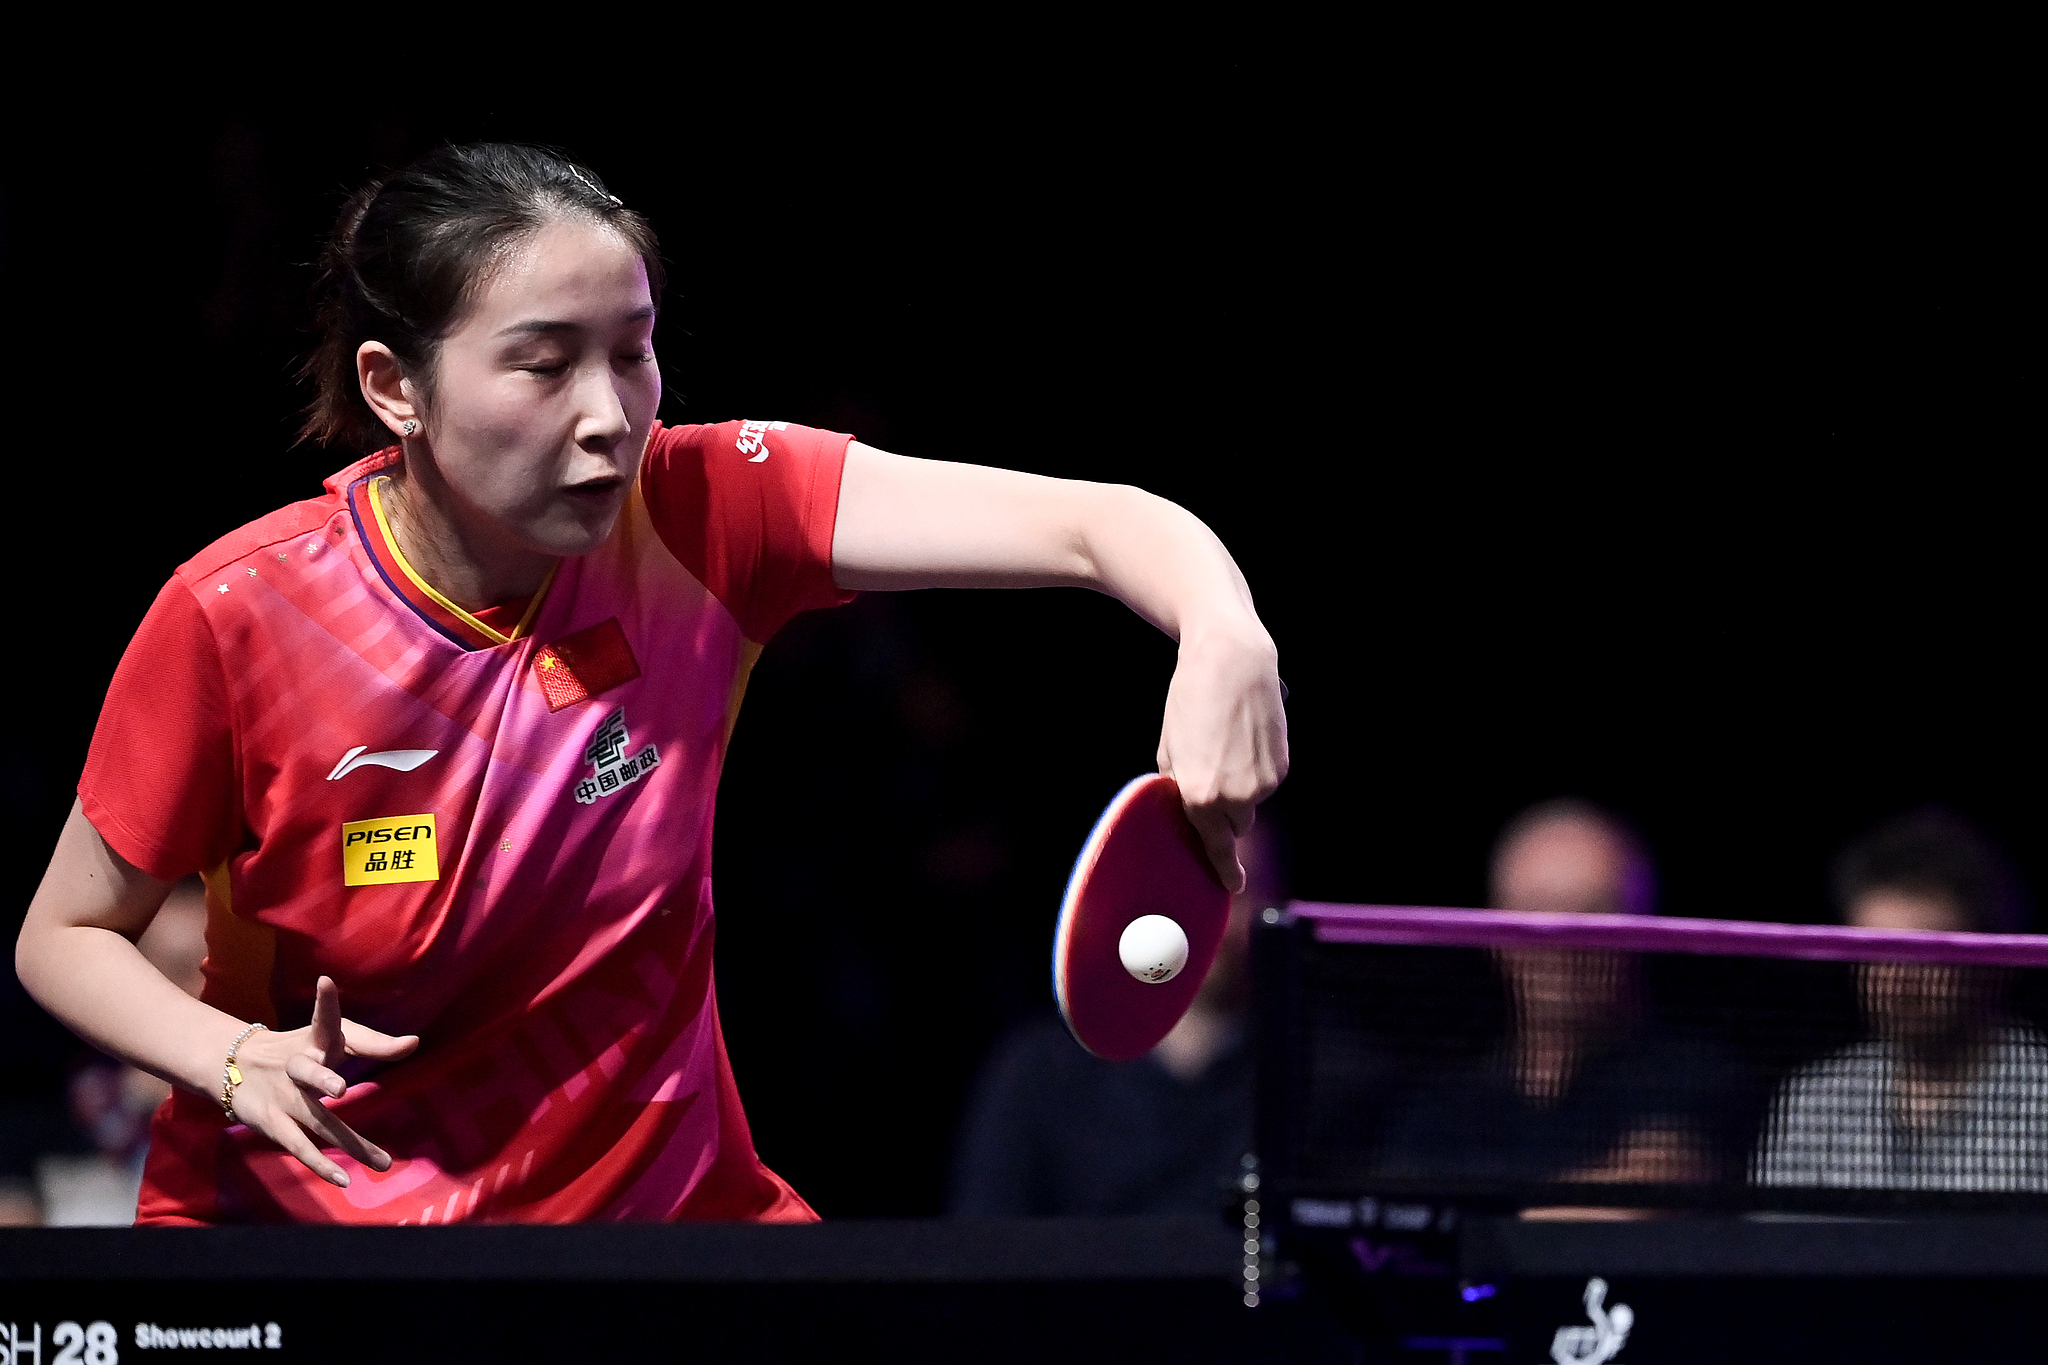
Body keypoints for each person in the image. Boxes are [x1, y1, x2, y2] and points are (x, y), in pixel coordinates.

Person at [12, 144, 1287, 1226]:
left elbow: (1097, 527)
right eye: (543, 362)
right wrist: (230, 1057)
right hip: (306, 1232)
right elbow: (65, 934)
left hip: (657, 1231)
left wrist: (1221, 626)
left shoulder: (699, 515)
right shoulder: (243, 613)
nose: (607, 414)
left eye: (631, 352)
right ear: (394, 388)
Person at [1375, 799, 1754, 1189]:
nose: (1560, 942)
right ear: (1492, 935)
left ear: (1643, 928)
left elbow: (1657, 1186)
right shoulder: (1444, 1110)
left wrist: (1484, 1229)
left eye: (1590, 913)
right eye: (1537, 911)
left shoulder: (1694, 1083)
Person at [947, 825, 1284, 1216]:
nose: (1213, 917)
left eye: (1238, 890)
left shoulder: (1317, 1080)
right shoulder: (1035, 1075)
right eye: (1188, 886)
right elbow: (984, 1248)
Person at [1752, 809, 2048, 1190]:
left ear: (1994, 961)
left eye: (1926, 954)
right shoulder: (1815, 1100)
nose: (1900, 982)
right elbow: (1778, 1247)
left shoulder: (2042, 1099)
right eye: (1877, 953)